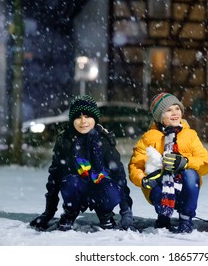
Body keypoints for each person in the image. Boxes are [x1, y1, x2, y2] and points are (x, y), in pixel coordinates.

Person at [30, 95, 133, 231]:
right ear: (72, 119)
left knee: (110, 186)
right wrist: (48, 212)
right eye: (78, 117)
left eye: (88, 116)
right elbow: (54, 177)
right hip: (76, 189)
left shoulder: (104, 140)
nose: (83, 121)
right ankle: (69, 214)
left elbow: (119, 175)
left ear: (95, 119)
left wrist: (126, 212)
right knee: (69, 180)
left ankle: (105, 215)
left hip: (100, 189)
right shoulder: (65, 140)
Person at [128, 92, 208, 233]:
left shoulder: (190, 135)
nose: (174, 113)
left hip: (184, 188)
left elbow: (206, 162)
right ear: (159, 116)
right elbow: (135, 165)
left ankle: (185, 219)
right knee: (157, 177)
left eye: (177, 108)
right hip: (160, 187)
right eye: (168, 110)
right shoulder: (149, 138)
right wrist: (143, 180)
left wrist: (185, 162)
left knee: (191, 174)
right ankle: (163, 215)